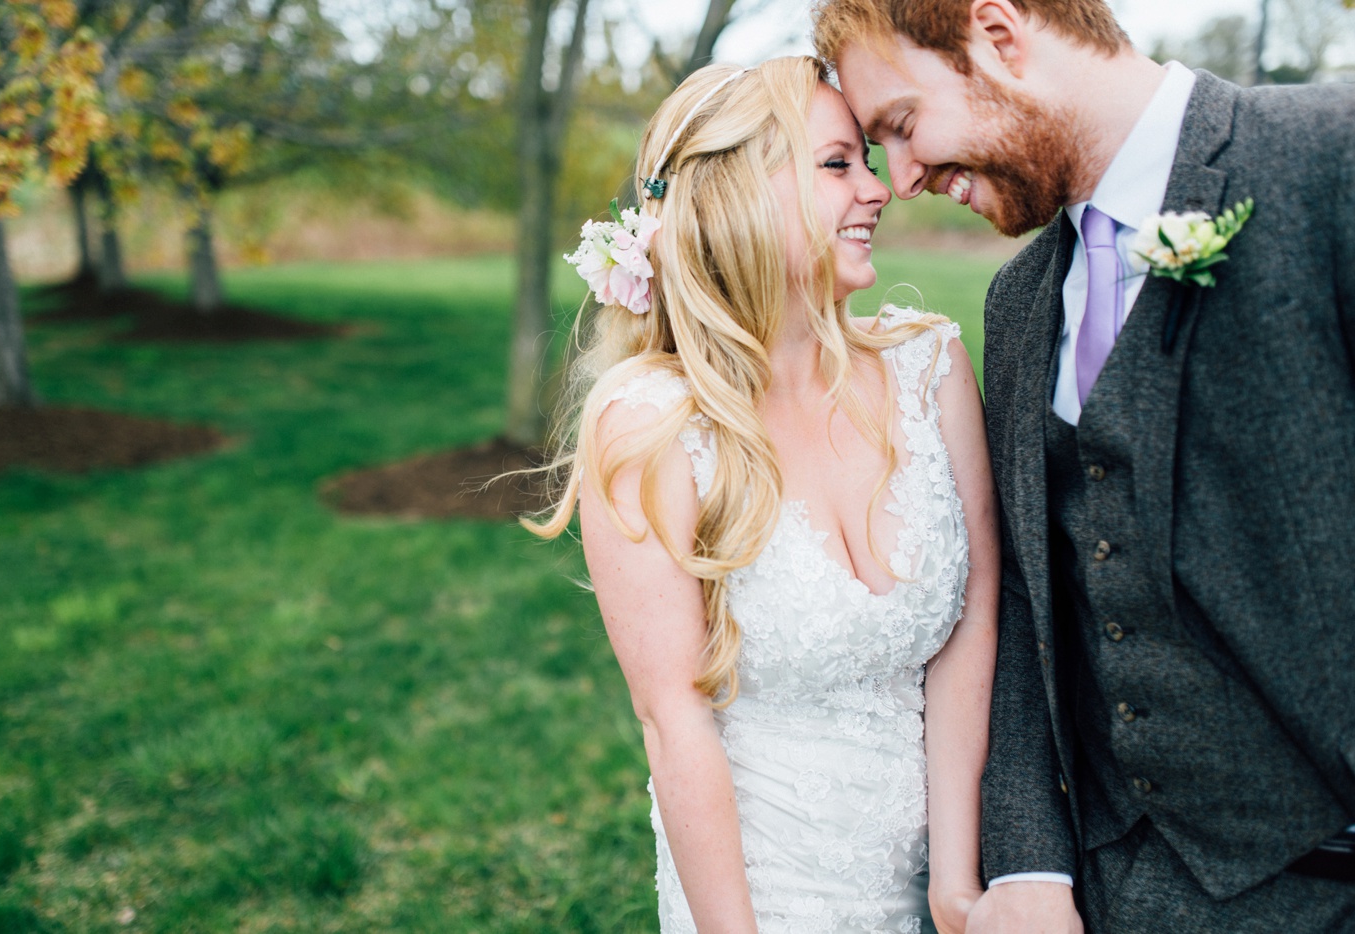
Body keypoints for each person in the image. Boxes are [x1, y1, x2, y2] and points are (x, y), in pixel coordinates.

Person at [812, 1, 1355, 931]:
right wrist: (1029, 859)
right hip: (1124, 892)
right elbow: (1028, 592)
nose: (900, 179)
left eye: (902, 125)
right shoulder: (1020, 301)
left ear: (999, 36)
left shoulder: (1326, 161)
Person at [526, 55, 998, 933]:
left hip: (945, 873)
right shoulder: (650, 426)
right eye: (837, 164)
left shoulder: (932, 366)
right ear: (739, 191)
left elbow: (976, 618)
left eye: (866, 159)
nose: (880, 189)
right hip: (764, 893)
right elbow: (675, 723)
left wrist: (958, 881)